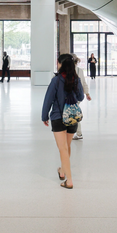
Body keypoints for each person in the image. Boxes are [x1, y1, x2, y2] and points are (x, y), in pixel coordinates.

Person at [42, 53, 85, 189]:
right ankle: (62, 171)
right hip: (72, 118)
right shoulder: (76, 79)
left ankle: (69, 180)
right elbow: (81, 97)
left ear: (60, 64)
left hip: (58, 117)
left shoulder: (56, 80)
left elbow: (48, 99)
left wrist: (44, 116)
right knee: (67, 146)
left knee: (63, 149)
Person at [71, 54, 92, 140]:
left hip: (70, 95)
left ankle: (78, 133)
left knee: (71, 113)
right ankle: (78, 133)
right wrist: (87, 93)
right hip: (78, 95)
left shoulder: (67, 70)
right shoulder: (80, 70)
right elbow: (83, 83)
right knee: (74, 112)